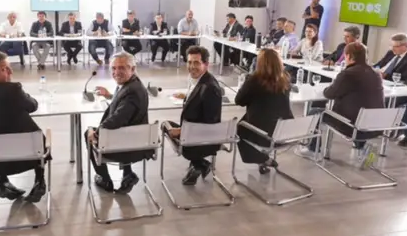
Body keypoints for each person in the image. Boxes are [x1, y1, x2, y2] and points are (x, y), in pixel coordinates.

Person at [0, 50, 48, 203]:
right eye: (4, 69)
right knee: (37, 137)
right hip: (29, 151)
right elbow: (32, 106)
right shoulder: (13, 90)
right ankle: (39, 181)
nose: (11, 71)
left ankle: (3, 182)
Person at [295, 42, 385, 158]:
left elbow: (330, 94)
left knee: (314, 112)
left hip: (352, 127)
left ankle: (312, 149)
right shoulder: (376, 74)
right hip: (375, 126)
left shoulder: (348, 74)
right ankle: (361, 147)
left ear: (349, 56)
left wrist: (327, 88)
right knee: (361, 109)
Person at [85, 52, 150, 193]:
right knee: (123, 128)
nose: (116, 72)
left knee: (88, 132)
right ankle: (128, 174)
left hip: (126, 146)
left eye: (121, 68)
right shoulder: (131, 84)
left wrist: (95, 133)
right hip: (133, 137)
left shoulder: (132, 91)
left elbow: (118, 119)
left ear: (132, 69)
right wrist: (109, 95)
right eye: (113, 68)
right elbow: (124, 106)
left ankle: (105, 179)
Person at [163, 46, 224, 185]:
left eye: (196, 62)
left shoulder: (210, 88)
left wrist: (181, 131)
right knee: (166, 125)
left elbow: (209, 123)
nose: (191, 66)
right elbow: (200, 99)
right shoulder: (200, 80)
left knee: (166, 127)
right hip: (192, 132)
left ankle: (199, 163)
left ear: (206, 64)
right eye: (189, 62)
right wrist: (187, 96)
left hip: (201, 138)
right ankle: (198, 164)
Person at [234, 49, 293, 174]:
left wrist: (245, 85)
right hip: (284, 133)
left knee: (239, 128)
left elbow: (239, 100)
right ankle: (263, 159)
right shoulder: (286, 79)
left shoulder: (254, 80)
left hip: (263, 136)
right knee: (253, 119)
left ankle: (262, 159)